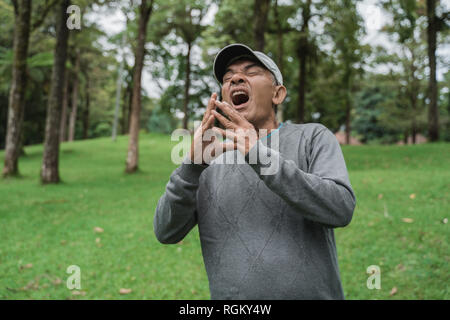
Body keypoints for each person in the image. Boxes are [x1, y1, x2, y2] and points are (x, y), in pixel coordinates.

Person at [154, 43, 356, 299]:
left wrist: (258, 153)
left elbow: (340, 208)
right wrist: (190, 168)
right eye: (228, 78)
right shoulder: (207, 157)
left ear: (278, 94)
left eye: (251, 72)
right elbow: (166, 231)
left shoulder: (312, 137)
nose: (236, 78)